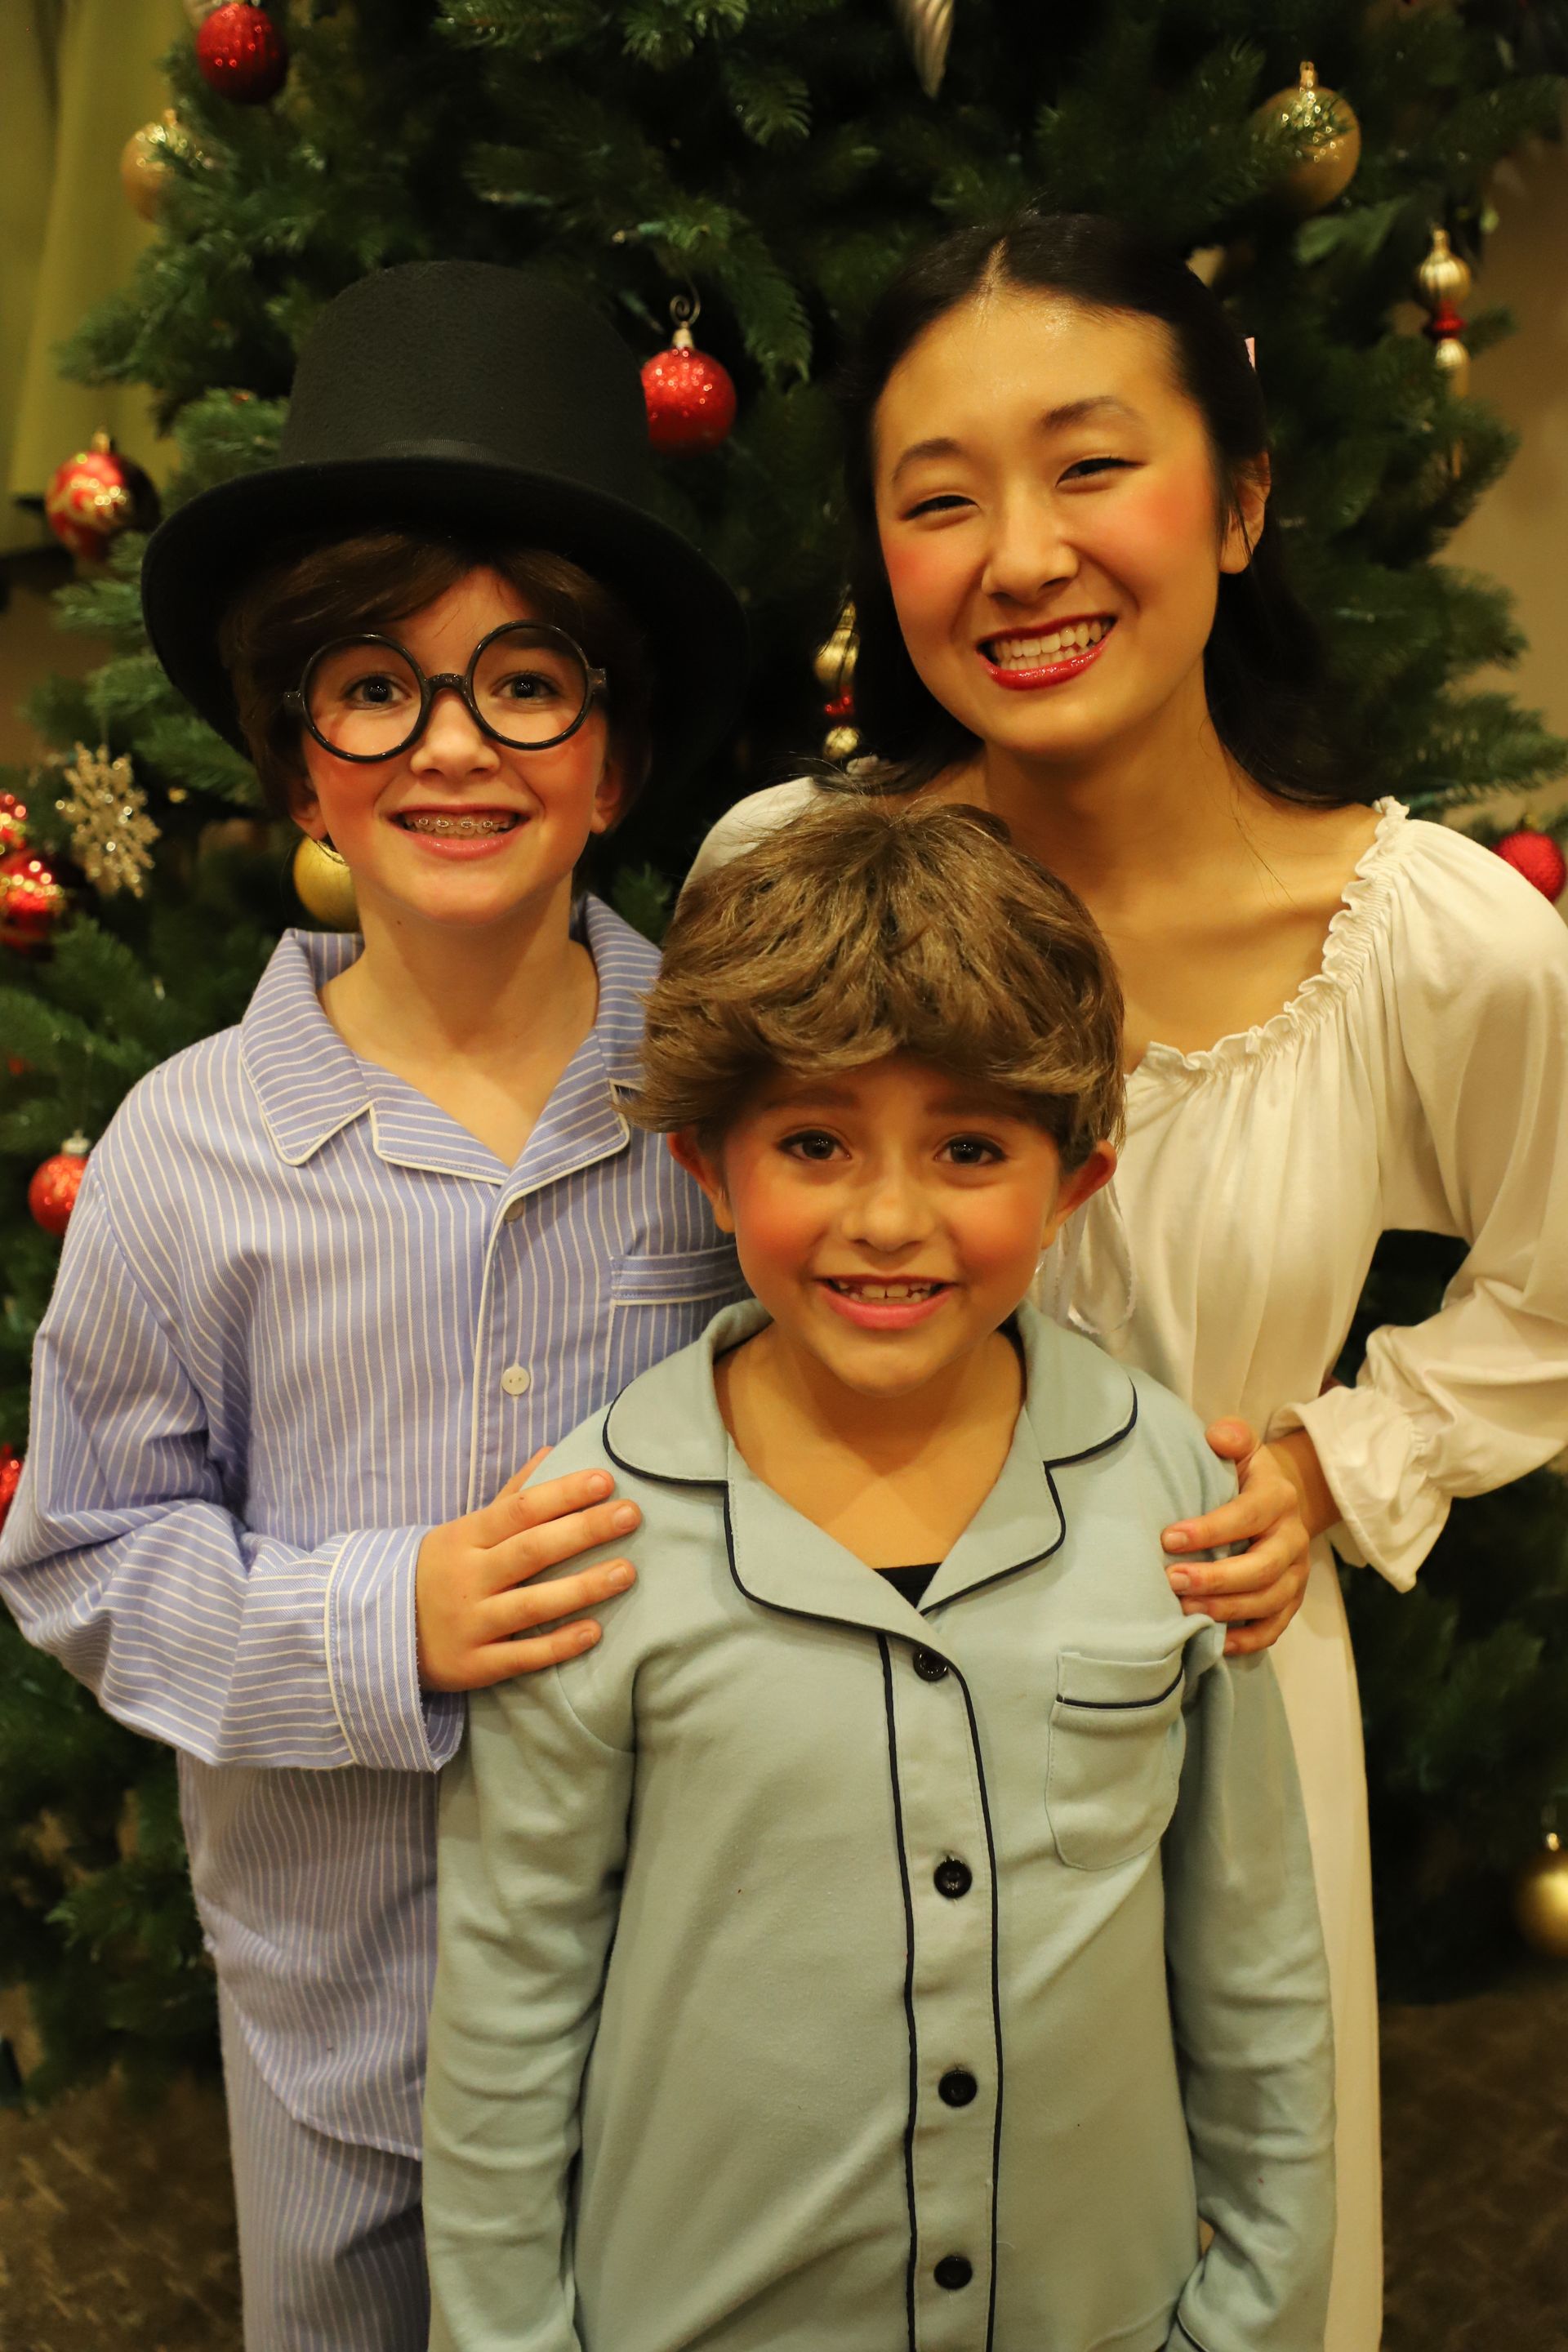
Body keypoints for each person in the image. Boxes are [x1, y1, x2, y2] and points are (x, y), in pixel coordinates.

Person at [688, 211, 1568, 2349]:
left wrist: (1343, 1465)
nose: (1019, 554)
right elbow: (696, 1320)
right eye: (938, 495)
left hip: (1216, 1716)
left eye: (1091, 465)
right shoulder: (782, 884)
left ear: (1241, 497)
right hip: (827, 1702)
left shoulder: (1431, 940)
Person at [0, 261, 750, 2352]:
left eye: (526, 684)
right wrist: (373, 1624)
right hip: (354, 2046)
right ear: (299, 760)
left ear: (613, 762)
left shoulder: (734, 1106)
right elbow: (84, 1559)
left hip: (682, 2015)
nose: (451, 745)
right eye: (376, 685)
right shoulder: (185, 1151)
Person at [423, 795, 1336, 2352]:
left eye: (969, 1147)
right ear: (712, 1171)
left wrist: (1249, 2314)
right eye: (816, 1143)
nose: (891, 1218)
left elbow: (1253, 1967)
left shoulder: (1179, 1493)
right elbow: (510, 2011)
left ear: (1074, 1183)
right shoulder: (589, 1529)